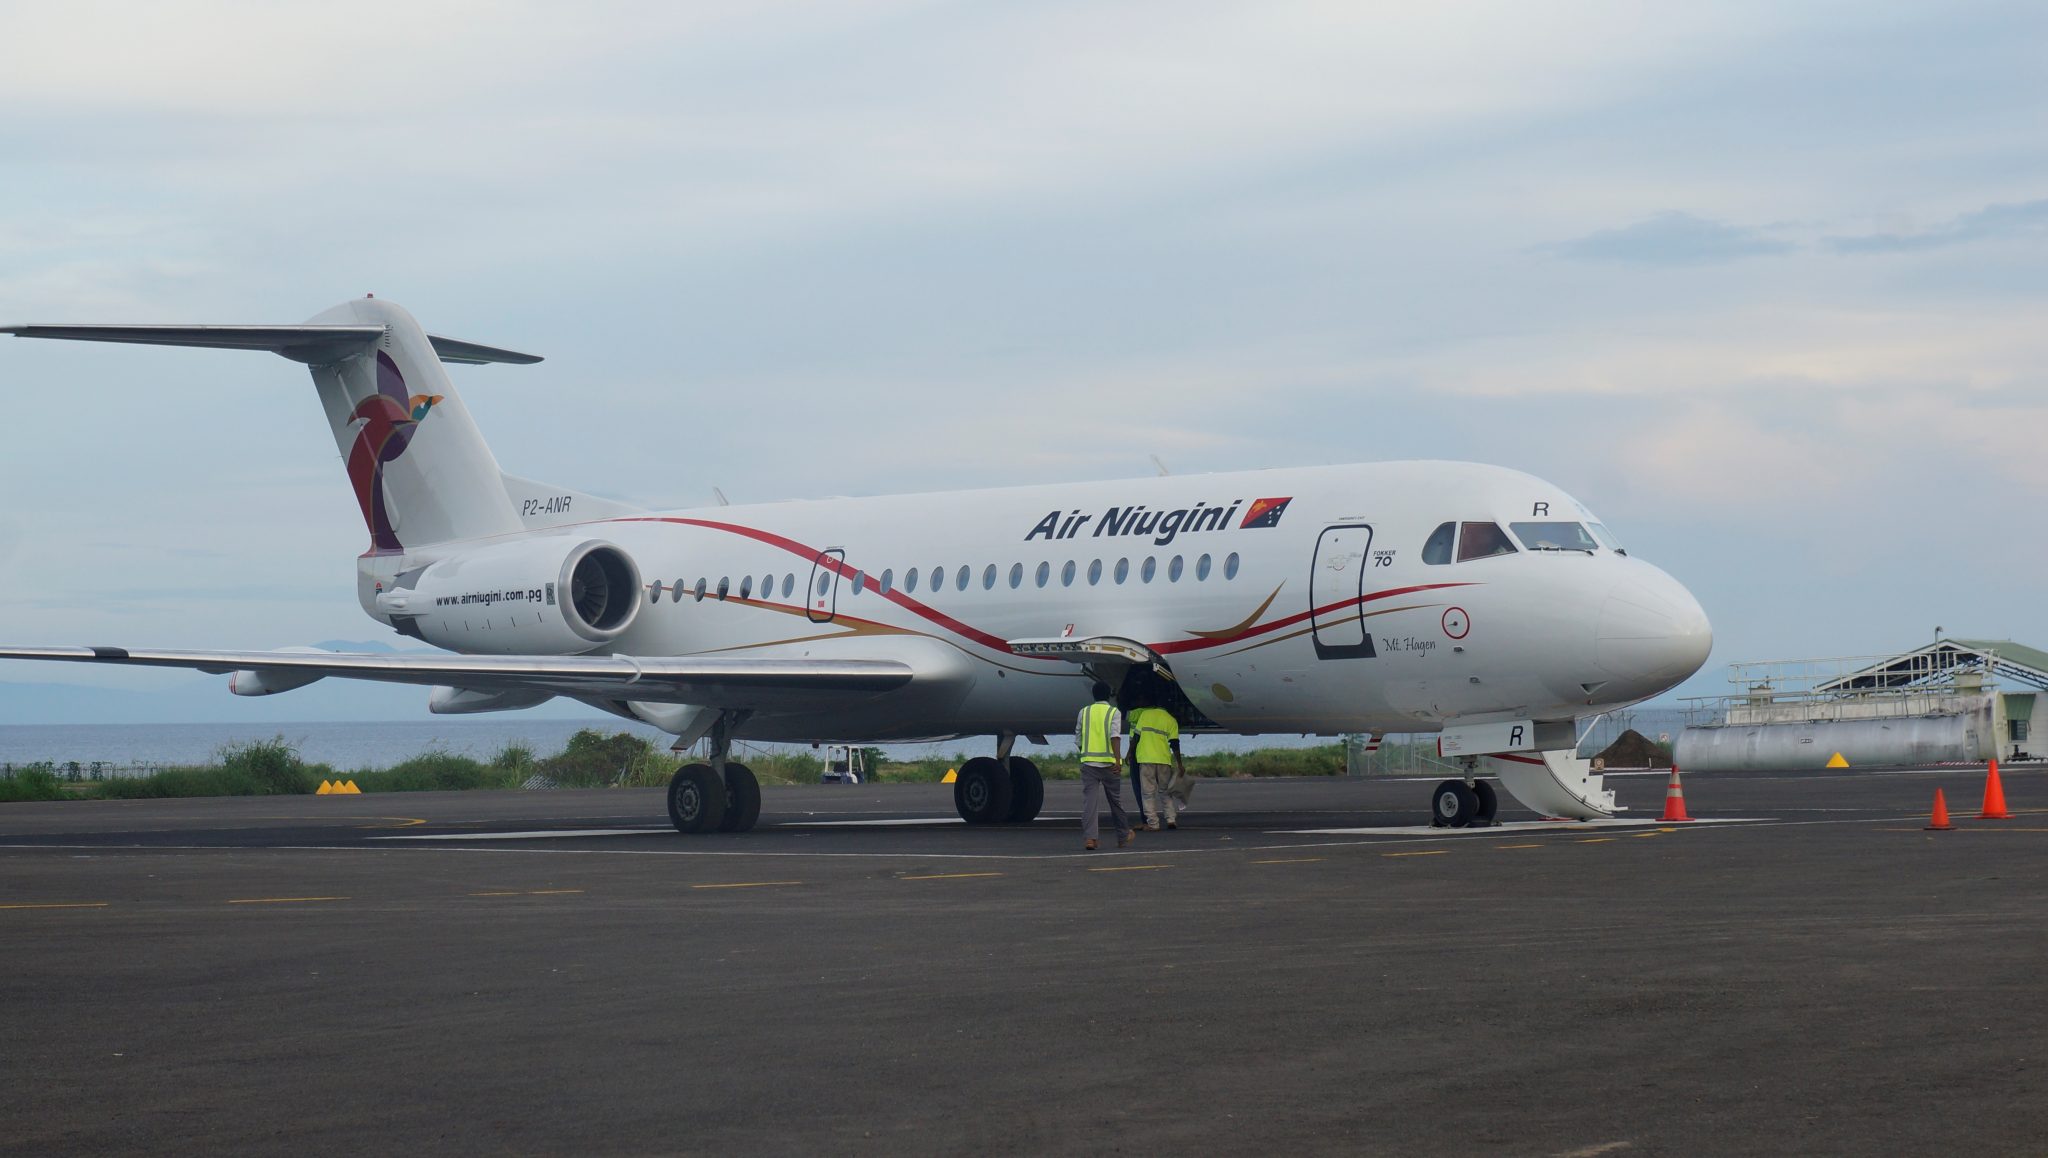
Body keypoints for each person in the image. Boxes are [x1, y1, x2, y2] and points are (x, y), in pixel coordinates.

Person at [1074, 681, 1134, 850]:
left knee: (1090, 803)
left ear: (1093, 695)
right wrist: (1117, 760)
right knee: (1115, 801)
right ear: (1109, 695)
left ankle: (1090, 839)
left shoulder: (1083, 712)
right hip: (1109, 764)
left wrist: (1085, 752)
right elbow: (1115, 736)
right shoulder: (1113, 712)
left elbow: (1078, 738)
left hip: (1089, 764)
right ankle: (1123, 836)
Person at [1128, 698, 1184, 831]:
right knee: (1165, 791)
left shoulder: (1145, 715)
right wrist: (1180, 764)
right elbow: (1175, 744)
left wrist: (1130, 753)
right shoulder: (1171, 720)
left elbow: (1136, 737)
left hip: (1146, 759)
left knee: (1148, 792)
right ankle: (1171, 819)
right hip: (1163, 760)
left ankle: (1153, 823)